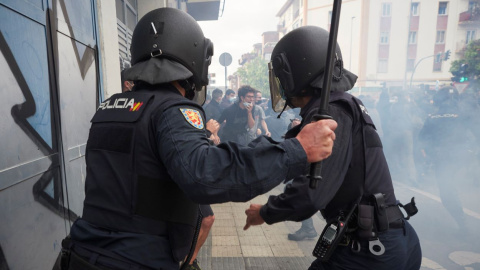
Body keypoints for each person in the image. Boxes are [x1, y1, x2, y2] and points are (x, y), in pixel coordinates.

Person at [54, 9, 337, 270]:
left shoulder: (109, 108)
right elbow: (206, 174)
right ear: (193, 59)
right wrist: (295, 150)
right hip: (135, 259)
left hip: (81, 253)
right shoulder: (172, 109)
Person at [244, 26, 421, 270]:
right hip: (386, 237)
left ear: (295, 74)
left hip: (369, 248)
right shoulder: (342, 106)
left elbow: (312, 191)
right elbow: (289, 152)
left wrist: (265, 212)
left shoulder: (331, 112)